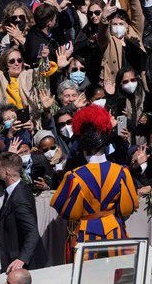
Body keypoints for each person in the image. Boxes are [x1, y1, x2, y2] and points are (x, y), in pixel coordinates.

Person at [50, 105, 139, 261]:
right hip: (114, 231)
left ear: (83, 149)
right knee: (116, 276)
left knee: (86, 279)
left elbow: (67, 212)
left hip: (85, 234)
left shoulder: (74, 176)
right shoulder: (121, 172)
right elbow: (128, 208)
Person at [0, 152, 46, 273]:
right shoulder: (18, 189)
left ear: (7, 173)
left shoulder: (19, 198)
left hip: (24, 265)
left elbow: (32, 232)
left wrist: (22, 259)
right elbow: (10, 220)